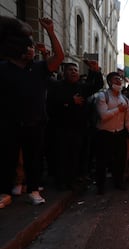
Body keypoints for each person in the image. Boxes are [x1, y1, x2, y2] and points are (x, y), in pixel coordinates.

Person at [0, 16, 64, 206]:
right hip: (8, 123)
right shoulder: (3, 68)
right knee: (6, 159)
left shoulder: (39, 68)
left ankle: (34, 190)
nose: (32, 49)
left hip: (34, 123)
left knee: (33, 159)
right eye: (29, 47)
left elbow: (59, 57)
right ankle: (4, 192)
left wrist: (50, 31)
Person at [46, 61, 103, 191]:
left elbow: (97, 85)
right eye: (70, 70)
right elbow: (52, 103)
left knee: (75, 155)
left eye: (75, 70)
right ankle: (60, 181)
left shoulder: (81, 87)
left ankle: (71, 180)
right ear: (64, 72)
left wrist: (96, 71)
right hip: (61, 128)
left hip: (78, 128)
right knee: (61, 155)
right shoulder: (57, 86)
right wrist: (70, 101)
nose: (73, 72)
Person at [94, 72, 129, 194]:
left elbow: (128, 118)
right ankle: (101, 186)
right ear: (110, 82)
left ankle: (118, 182)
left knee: (120, 160)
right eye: (116, 80)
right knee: (102, 161)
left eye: (120, 80)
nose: (119, 82)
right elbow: (103, 116)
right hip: (105, 134)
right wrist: (118, 109)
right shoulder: (102, 96)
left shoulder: (125, 99)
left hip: (120, 134)